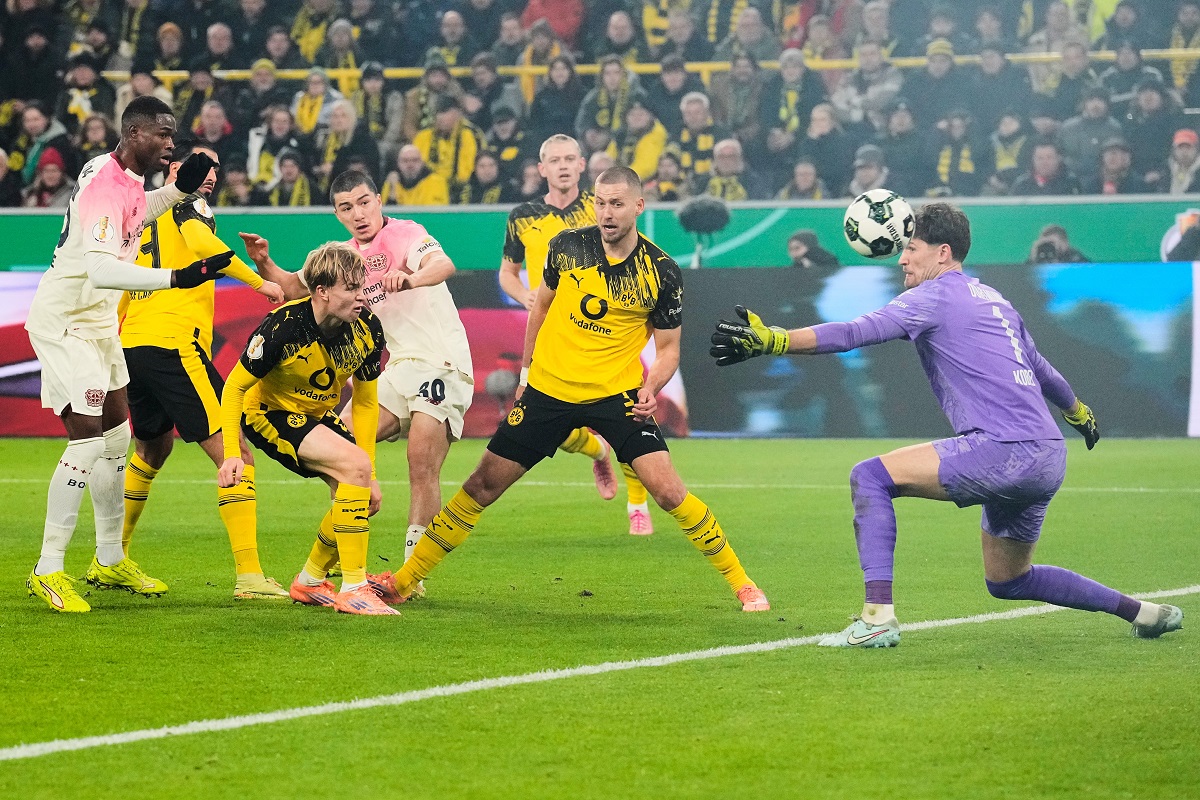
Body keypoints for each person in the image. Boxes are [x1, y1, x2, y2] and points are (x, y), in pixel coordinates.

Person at [709, 202, 1183, 645]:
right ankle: (1142, 612)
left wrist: (774, 340)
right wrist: (1077, 412)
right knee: (1009, 579)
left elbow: (854, 333)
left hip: (1004, 449)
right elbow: (1041, 368)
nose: (901, 260)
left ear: (942, 252)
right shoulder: (995, 299)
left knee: (869, 477)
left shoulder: (933, 296)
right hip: (1047, 454)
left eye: (910, 249)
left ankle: (876, 619)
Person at [379, 166, 771, 612]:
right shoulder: (566, 247)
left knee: (667, 491)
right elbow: (540, 308)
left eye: (617, 204)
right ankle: (404, 581)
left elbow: (668, 350)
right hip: (550, 390)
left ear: (638, 207)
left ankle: (743, 583)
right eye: (601, 202)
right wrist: (527, 375)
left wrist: (652, 385)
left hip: (616, 395)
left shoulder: (661, 272)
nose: (606, 212)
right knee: (482, 485)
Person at [24, 96, 233, 613]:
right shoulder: (102, 183)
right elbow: (98, 268)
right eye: (162, 134)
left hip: (96, 322)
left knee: (119, 438)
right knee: (88, 442)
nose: (170, 142)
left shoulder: (128, 180)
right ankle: (48, 569)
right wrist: (175, 279)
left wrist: (175, 192)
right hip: (66, 321)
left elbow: (138, 215)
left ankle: (110, 557)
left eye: (173, 134)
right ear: (133, 131)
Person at [243, 169, 473, 598]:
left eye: (365, 202)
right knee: (347, 462)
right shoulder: (345, 256)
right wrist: (264, 263)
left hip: (441, 362)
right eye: (347, 207)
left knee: (420, 462)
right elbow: (299, 286)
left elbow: (443, 265)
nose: (359, 214)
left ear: (379, 201)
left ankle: (409, 577)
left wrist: (409, 277)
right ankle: (313, 578)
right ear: (337, 214)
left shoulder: (406, 233)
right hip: (397, 368)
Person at [119, 141, 286, 599]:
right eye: (199, 164)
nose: (209, 172)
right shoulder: (189, 204)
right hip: (174, 344)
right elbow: (201, 247)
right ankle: (250, 576)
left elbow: (120, 281)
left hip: (135, 343)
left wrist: (116, 340)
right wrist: (259, 282)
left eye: (216, 165)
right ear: (175, 169)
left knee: (152, 451)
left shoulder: (141, 216)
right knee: (237, 453)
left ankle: (111, 558)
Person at [217, 242, 395, 615]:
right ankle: (355, 588)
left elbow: (364, 404)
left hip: (317, 414)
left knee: (367, 496)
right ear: (322, 291)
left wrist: (369, 470)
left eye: (362, 286)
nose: (361, 297)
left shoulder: (368, 329)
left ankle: (310, 581)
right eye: (351, 288)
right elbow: (234, 387)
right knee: (355, 471)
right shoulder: (282, 326)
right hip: (269, 412)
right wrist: (232, 453)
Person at [499, 134, 652, 535]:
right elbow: (508, 273)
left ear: (582, 165)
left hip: (606, 330)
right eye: (555, 159)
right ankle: (596, 449)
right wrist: (527, 297)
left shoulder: (600, 207)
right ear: (542, 168)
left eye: (570, 158)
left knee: (628, 413)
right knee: (553, 424)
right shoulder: (523, 216)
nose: (563, 165)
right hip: (551, 331)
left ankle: (637, 504)